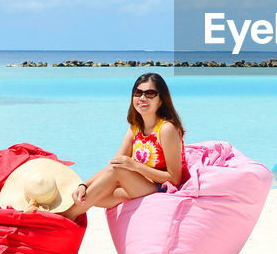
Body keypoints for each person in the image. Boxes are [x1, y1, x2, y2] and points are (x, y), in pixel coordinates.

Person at [62, 72, 185, 220]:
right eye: (138, 93)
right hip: (137, 186)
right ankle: (67, 213)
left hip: (161, 189)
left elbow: (174, 178)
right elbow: (114, 164)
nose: (142, 98)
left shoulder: (166, 129)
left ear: (161, 100)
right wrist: (84, 185)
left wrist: (135, 166)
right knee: (96, 195)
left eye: (150, 93)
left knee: (117, 172)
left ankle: (67, 217)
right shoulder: (135, 128)